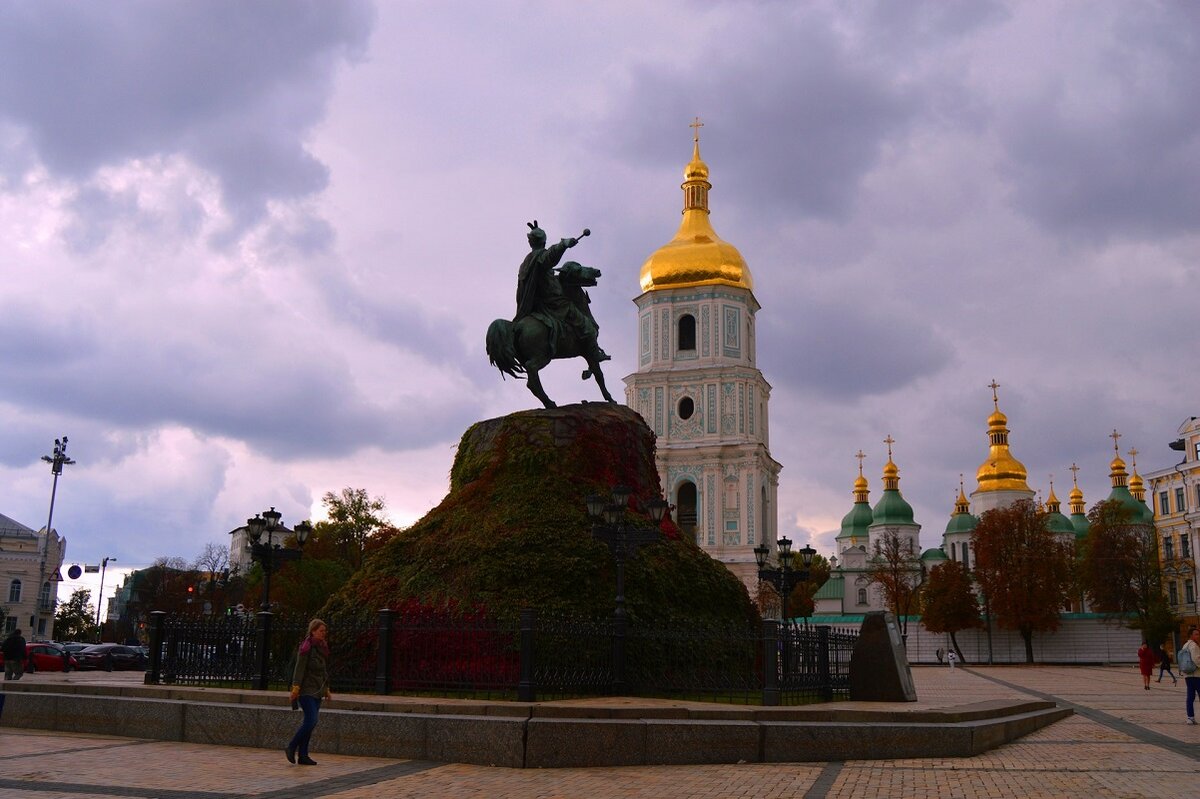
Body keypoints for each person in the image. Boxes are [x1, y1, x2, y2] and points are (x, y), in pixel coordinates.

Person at [514, 221, 608, 361]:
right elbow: (550, 257)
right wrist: (563, 244)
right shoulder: (539, 257)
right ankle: (593, 351)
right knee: (586, 325)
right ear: (544, 242)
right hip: (553, 302)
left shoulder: (526, 262)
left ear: (530, 243)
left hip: (536, 303)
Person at [286, 619, 332, 765]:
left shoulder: (322, 647)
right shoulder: (306, 647)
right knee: (311, 720)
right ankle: (292, 746)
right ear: (313, 631)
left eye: (325, 631)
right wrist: (295, 687)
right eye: (321, 631)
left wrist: (326, 689)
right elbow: (299, 669)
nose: (324, 633)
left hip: (317, 690)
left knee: (310, 723)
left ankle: (303, 755)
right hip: (306, 690)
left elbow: (323, 671)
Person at [1183, 628, 1200, 725]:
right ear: (1191, 636)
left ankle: (1190, 717)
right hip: (1196, 675)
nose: (1198, 636)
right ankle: (1190, 717)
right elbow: (1196, 660)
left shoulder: (1185, 645)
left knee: (1190, 696)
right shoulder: (1194, 646)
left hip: (1188, 675)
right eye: (1196, 634)